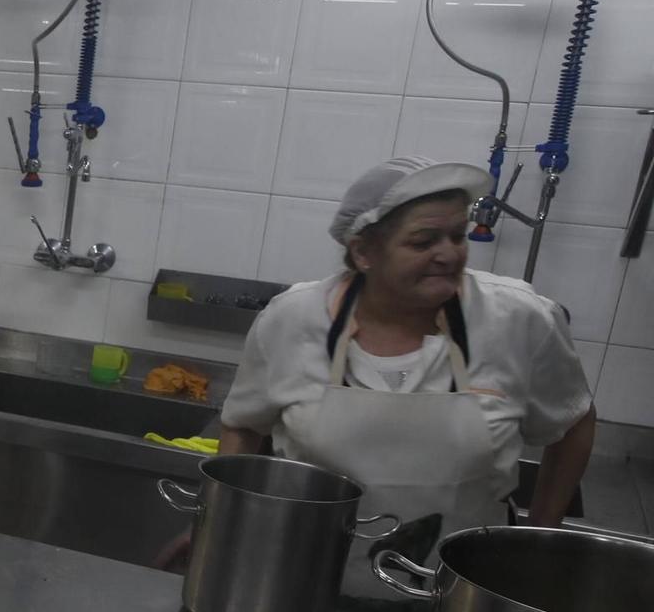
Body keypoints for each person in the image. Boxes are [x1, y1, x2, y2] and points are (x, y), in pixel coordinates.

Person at [220, 156, 596, 572]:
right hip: (301, 574)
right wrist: (222, 523)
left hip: (464, 593)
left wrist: (540, 534)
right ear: (363, 251)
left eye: (458, 235)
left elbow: (575, 419)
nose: (449, 254)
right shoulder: (292, 318)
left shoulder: (517, 317)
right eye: (423, 241)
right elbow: (243, 425)